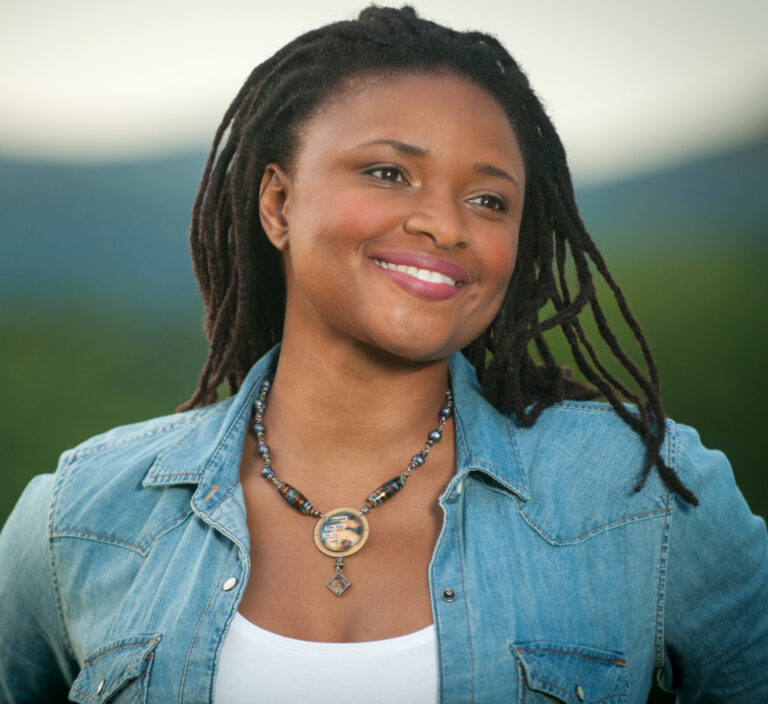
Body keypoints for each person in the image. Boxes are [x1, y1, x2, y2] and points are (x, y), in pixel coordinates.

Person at [0, 6, 766, 703]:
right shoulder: (84, 518)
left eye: (488, 199)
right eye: (387, 172)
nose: (445, 224)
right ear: (278, 203)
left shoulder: (643, 494)